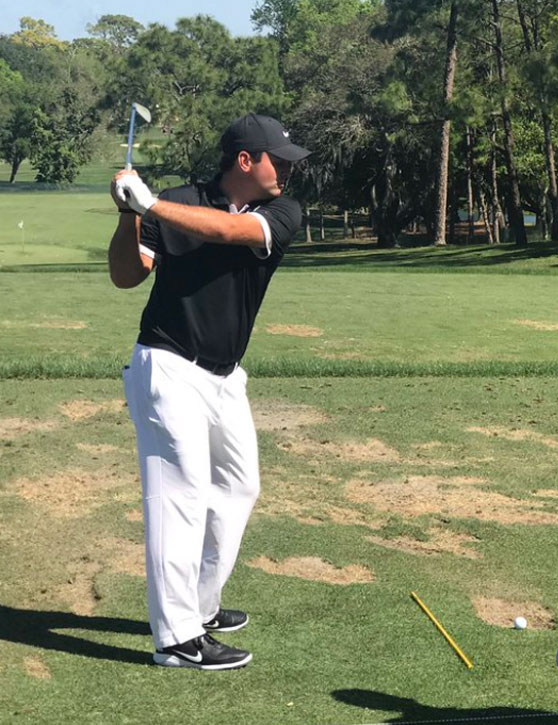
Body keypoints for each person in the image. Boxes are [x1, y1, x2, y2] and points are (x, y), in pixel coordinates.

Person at [108, 113, 310, 669]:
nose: (289, 170)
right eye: (281, 159)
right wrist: (130, 215)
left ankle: (198, 607)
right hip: (167, 365)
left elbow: (227, 232)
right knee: (181, 494)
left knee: (238, 488)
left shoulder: (281, 212)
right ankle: (176, 638)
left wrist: (149, 204)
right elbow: (128, 275)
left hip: (225, 376)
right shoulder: (175, 200)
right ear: (246, 161)